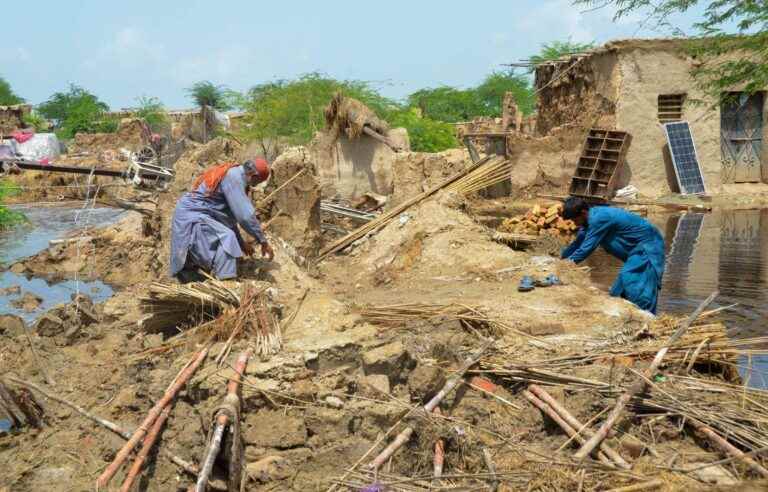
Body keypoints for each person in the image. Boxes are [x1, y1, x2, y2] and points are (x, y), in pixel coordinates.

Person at [170, 158, 274, 283]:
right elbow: (245, 217)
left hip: (198, 214)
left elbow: (227, 220)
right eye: (256, 182)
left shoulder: (234, 174)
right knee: (227, 237)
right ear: (254, 175)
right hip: (193, 215)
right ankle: (227, 282)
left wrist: (241, 244)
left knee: (227, 236)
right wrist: (263, 242)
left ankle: (208, 277)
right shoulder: (234, 178)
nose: (254, 186)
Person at [560, 197, 665, 314]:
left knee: (637, 287)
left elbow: (586, 249)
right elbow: (577, 243)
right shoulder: (588, 222)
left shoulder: (598, 219)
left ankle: (646, 320)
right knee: (617, 291)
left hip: (647, 248)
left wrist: (566, 266)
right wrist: (560, 261)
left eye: (575, 220)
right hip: (635, 252)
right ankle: (629, 315)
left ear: (583, 213)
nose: (574, 223)